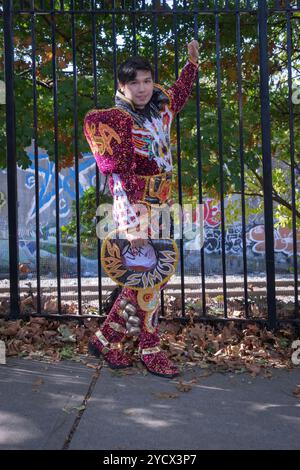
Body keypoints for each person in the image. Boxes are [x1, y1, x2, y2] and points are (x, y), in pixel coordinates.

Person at [83, 40, 199, 378]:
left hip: (161, 203)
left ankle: (105, 339)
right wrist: (131, 227)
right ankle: (150, 347)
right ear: (122, 87)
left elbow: (179, 92)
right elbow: (118, 179)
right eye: (134, 82)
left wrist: (192, 64)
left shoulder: (162, 108)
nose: (143, 88)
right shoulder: (118, 122)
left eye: (147, 80)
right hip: (137, 207)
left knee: (148, 277)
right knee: (149, 277)